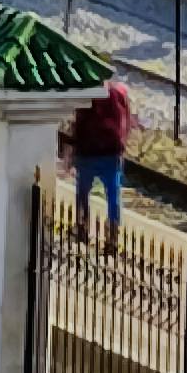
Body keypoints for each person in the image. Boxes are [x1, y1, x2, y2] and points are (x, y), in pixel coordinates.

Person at [64, 71, 132, 247]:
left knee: (83, 191)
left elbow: (79, 124)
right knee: (113, 194)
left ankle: (82, 226)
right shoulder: (120, 93)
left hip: (88, 152)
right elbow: (126, 120)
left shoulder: (88, 95)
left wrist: (73, 151)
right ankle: (113, 236)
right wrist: (122, 142)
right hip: (112, 152)